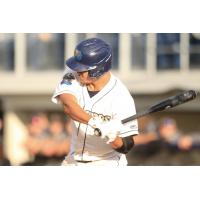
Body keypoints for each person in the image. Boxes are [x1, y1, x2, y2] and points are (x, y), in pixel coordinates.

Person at [52, 38, 138, 166]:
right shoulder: (73, 73)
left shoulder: (122, 98)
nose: (78, 71)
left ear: (98, 69)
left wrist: (112, 136)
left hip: (106, 162)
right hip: (73, 159)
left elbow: (126, 146)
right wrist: (96, 123)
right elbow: (68, 106)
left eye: (82, 69)